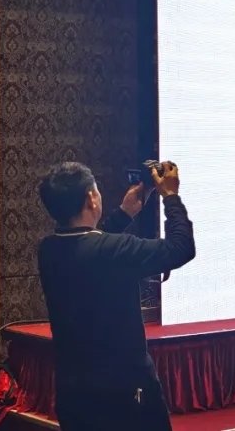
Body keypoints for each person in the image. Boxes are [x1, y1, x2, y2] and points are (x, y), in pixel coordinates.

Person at [37, 160, 195, 431]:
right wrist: (171, 197)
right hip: (125, 393)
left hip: (73, 392)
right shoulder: (113, 250)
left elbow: (91, 246)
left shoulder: (48, 250)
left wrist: (125, 212)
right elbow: (181, 248)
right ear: (91, 198)